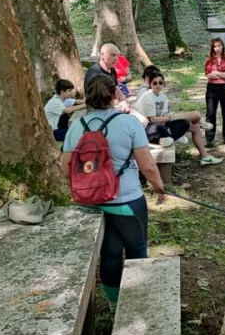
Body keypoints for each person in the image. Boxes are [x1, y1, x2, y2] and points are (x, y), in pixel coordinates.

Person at [60, 75, 167, 307]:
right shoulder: (128, 123)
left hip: (90, 203)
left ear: (87, 96)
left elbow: (65, 167)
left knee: (109, 254)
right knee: (137, 249)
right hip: (126, 200)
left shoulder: (76, 126)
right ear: (113, 95)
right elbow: (147, 166)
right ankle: (138, 303)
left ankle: (114, 304)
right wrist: (160, 188)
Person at [137, 73, 222, 165]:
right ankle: (174, 137)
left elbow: (165, 114)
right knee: (193, 117)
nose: (158, 85)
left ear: (163, 84)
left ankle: (205, 156)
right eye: (155, 83)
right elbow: (153, 120)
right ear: (150, 84)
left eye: (160, 83)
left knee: (194, 126)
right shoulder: (147, 97)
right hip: (147, 129)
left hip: (162, 124)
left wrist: (170, 118)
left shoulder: (163, 97)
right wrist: (169, 118)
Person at [204, 38, 225, 148]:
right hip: (212, 88)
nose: (217, 48)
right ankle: (209, 139)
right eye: (215, 46)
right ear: (212, 48)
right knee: (211, 114)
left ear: (223, 46)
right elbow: (208, 74)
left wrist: (216, 72)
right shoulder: (209, 60)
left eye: (219, 46)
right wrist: (222, 74)